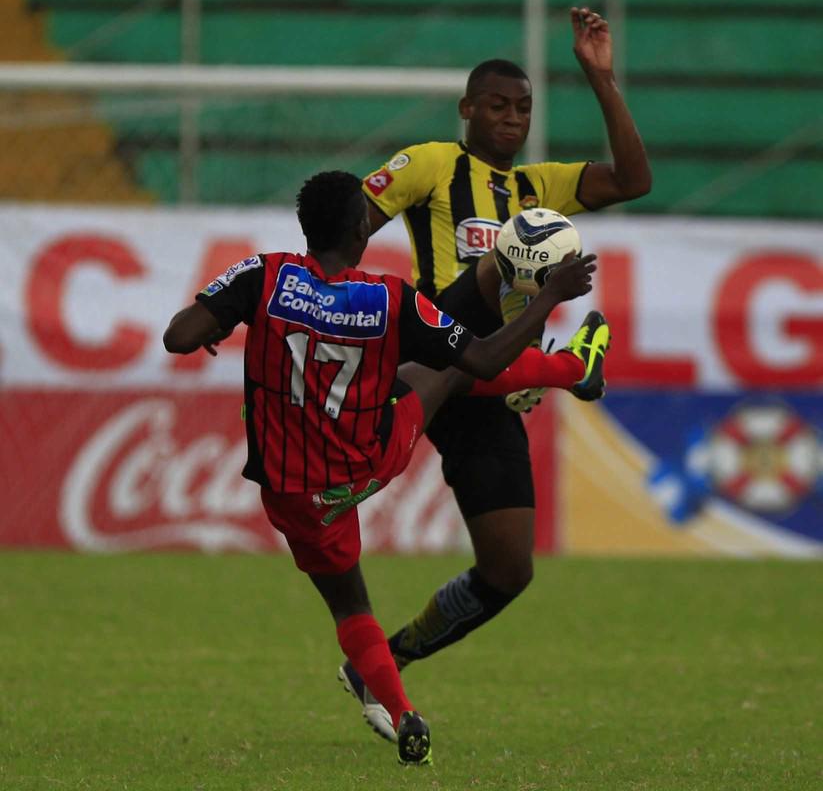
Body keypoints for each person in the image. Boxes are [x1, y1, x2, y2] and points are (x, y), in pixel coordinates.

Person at [163, 171, 604, 765]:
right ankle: (574, 369)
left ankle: (403, 714)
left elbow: (177, 336)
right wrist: (551, 295)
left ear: (304, 227)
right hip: (369, 459)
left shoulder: (262, 276)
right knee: (446, 373)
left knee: (349, 607)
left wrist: (217, 324)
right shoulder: (391, 298)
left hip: (294, 498)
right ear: (359, 229)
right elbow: (486, 357)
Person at [341, 6, 651, 740]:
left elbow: (634, 179)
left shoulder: (539, 183)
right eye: (496, 106)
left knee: (510, 569)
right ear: (466, 110)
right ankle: (570, 365)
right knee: (522, 247)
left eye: (522, 109)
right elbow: (345, 226)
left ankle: (386, 661)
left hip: (488, 388)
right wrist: (346, 308)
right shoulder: (428, 165)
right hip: (432, 350)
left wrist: (600, 79)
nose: (510, 119)